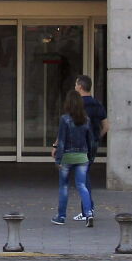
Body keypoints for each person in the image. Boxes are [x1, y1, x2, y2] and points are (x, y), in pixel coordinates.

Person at [51, 89, 97, 227]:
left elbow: (62, 140)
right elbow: (91, 141)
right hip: (82, 157)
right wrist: (90, 157)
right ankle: (88, 213)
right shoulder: (86, 119)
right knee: (82, 185)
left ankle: (61, 217)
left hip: (67, 156)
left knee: (64, 186)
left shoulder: (64, 119)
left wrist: (58, 159)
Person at [74, 74, 108, 217]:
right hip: (93, 143)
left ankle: (87, 211)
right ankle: (89, 208)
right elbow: (106, 126)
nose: (75, 87)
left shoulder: (77, 105)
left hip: (80, 143)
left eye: (76, 84)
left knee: (82, 177)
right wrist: (97, 138)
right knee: (85, 173)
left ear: (80, 87)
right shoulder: (97, 104)